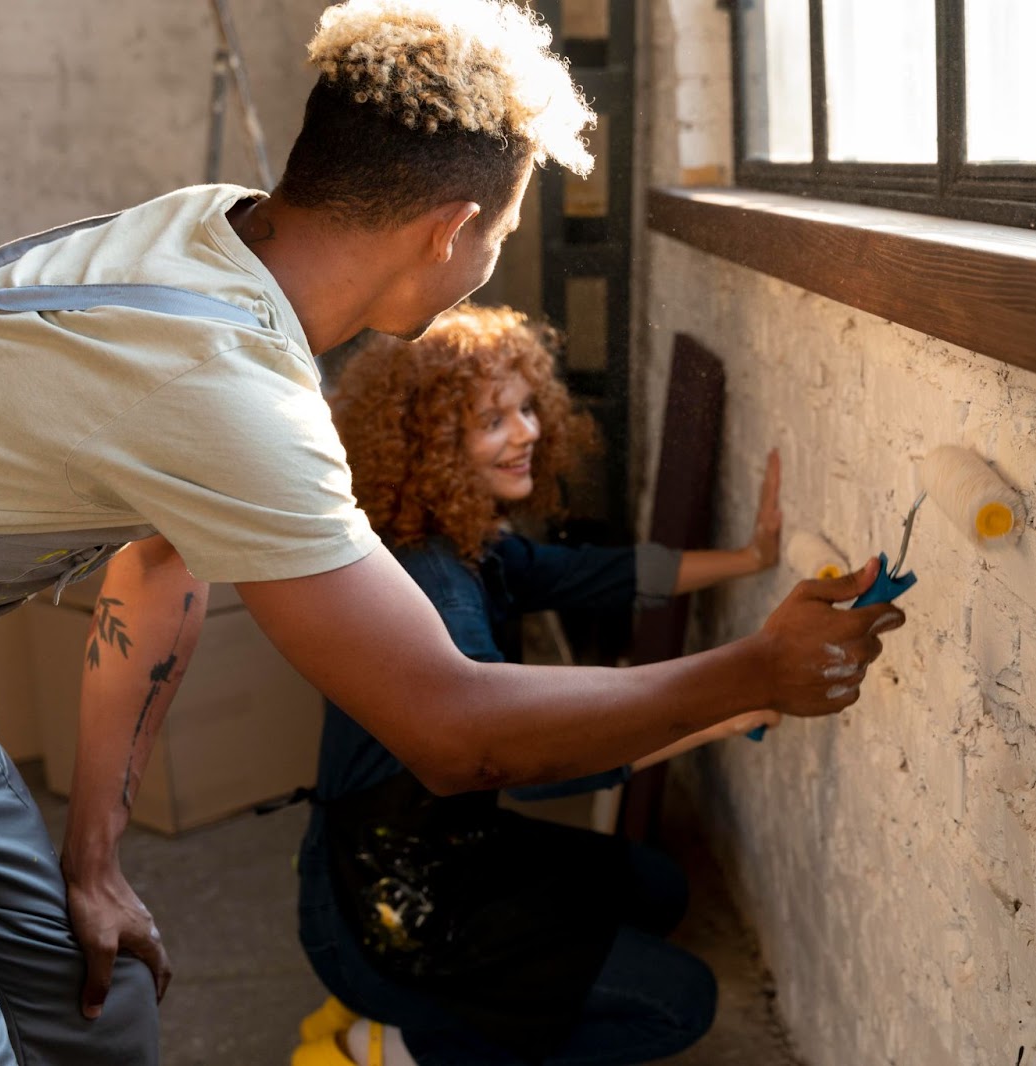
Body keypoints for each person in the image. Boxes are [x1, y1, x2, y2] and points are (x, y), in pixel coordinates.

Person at [0, 2, 904, 1063]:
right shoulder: (227, 386)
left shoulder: (213, 231)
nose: (491, 263)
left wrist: (95, 863)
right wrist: (756, 671)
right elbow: (456, 734)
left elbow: (160, 554)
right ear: (451, 230)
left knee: (101, 1010)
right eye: (499, 240)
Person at [295, 309, 783, 1066]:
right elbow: (523, 760)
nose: (525, 432)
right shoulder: (434, 585)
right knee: (677, 1004)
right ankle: (403, 1048)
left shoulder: (469, 541)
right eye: (493, 419)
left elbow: (598, 574)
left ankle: (467, 1020)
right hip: (385, 906)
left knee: (655, 888)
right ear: (429, 445)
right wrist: (714, 712)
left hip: (442, 847)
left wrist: (751, 559)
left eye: (526, 408)